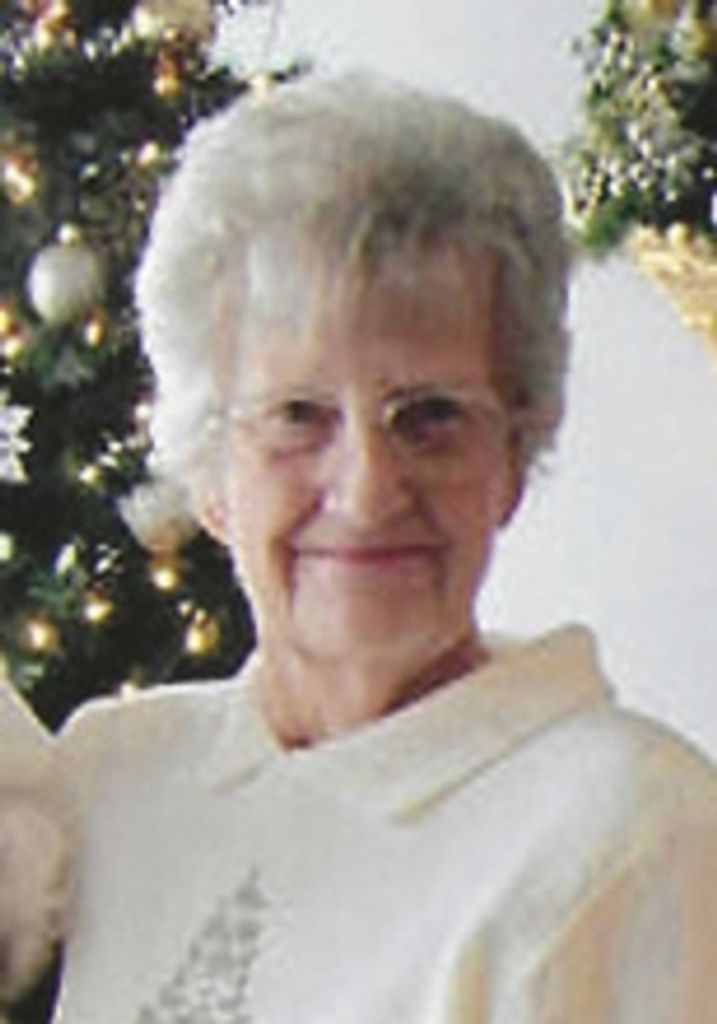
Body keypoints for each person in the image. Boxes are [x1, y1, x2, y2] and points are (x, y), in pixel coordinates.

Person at [2, 72, 717, 1022]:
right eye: (298, 414)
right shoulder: (115, 774)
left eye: (430, 416)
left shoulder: (636, 831)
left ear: (513, 455)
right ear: (208, 472)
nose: (369, 489)